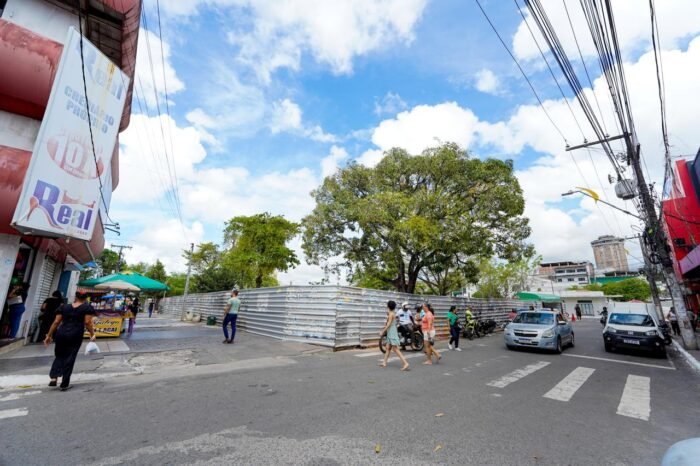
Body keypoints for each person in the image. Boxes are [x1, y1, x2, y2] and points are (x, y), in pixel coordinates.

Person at [44, 291, 96, 391]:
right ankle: (64, 383)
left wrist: (49, 335)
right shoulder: (87, 308)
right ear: (85, 298)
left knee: (59, 355)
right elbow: (87, 322)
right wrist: (92, 334)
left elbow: (56, 322)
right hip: (75, 334)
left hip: (61, 333)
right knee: (70, 357)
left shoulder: (64, 307)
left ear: (75, 297)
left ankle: (54, 377)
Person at [379, 300, 410, 371]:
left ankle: (405, 363)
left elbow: (389, 324)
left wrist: (382, 331)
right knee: (388, 348)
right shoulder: (392, 313)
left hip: (391, 332)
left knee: (395, 349)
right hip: (391, 331)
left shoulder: (391, 314)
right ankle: (384, 362)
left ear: (388, 306)